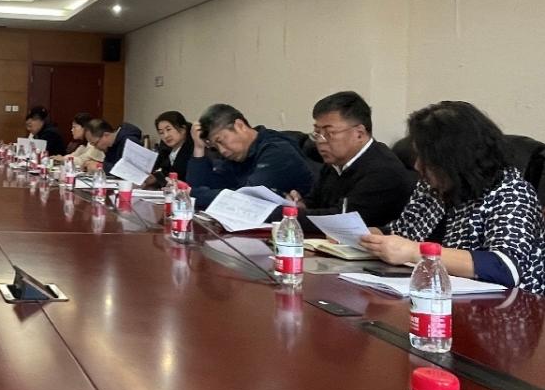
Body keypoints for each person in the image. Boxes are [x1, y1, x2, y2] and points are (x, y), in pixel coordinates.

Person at [360, 101, 545, 294]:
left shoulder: (511, 193)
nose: (417, 165)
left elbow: (505, 267)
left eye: (425, 158)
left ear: (453, 158)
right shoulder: (434, 186)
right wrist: (372, 236)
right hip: (437, 296)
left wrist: (417, 252)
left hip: (503, 305)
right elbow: (403, 233)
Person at [285, 91, 415, 230]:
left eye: (329, 133)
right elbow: (314, 203)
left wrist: (284, 214)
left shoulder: (384, 171)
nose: (320, 141)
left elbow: (344, 220)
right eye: (317, 133)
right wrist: (299, 204)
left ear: (359, 134)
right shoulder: (335, 162)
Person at [185, 103, 313, 208]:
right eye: (215, 146)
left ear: (239, 126)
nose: (221, 151)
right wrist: (199, 148)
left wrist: (194, 194)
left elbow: (247, 199)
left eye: (220, 141)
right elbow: (200, 191)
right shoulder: (236, 156)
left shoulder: (277, 150)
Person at [144, 111, 195, 188]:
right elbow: (166, 175)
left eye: (168, 129)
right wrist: (155, 179)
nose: (166, 136)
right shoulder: (166, 151)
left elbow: (183, 179)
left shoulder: (193, 151)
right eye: (161, 132)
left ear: (183, 129)